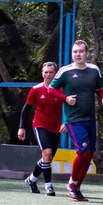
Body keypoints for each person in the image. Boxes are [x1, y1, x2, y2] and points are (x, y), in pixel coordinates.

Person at [48, 39, 103, 202]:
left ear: (87, 53)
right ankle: (72, 184)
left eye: (81, 51)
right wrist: (65, 98)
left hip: (90, 118)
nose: (77, 54)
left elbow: (100, 89)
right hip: (74, 119)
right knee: (83, 152)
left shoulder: (94, 70)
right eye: (75, 52)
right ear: (72, 54)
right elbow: (51, 90)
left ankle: (76, 187)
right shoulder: (65, 71)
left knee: (89, 155)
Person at [18, 62, 66, 196]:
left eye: (51, 72)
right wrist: (21, 127)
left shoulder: (61, 90)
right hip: (40, 126)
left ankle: (31, 180)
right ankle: (48, 186)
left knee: (47, 158)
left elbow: (69, 107)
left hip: (55, 128)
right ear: (42, 74)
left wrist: (66, 123)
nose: (48, 75)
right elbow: (26, 109)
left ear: (55, 74)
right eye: (45, 72)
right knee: (47, 153)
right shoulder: (36, 90)